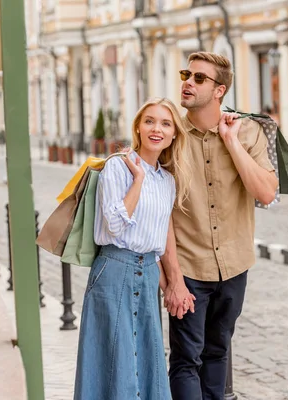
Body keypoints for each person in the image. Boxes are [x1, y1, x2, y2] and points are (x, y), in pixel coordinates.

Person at [160, 52, 279, 400]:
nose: (188, 82)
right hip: (189, 268)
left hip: (233, 264)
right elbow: (160, 213)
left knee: (217, 353)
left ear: (219, 90)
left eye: (199, 78)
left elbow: (266, 192)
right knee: (185, 360)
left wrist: (231, 142)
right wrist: (173, 277)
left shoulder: (248, 131)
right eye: (187, 74)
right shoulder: (170, 136)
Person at [73, 97, 194, 400]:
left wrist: (170, 284)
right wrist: (137, 179)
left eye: (166, 123)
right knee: (115, 361)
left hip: (149, 273)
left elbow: (158, 235)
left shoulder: (167, 180)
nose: (157, 129)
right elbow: (115, 224)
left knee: (147, 359)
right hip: (114, 270)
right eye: (149, 121)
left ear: (174, 133)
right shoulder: (117, 167)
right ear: (138, 127)